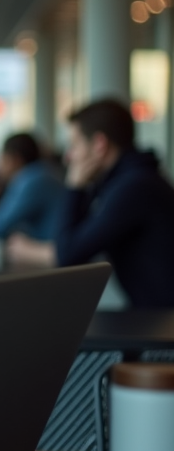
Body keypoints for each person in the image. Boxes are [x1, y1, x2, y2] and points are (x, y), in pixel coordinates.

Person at [21, 99, 174, 307]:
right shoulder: (128, 179)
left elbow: (67, 255)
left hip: (162, 319)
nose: (68, 157)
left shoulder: (134, 187)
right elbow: (73, 243)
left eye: (74, 145)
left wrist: (74, 187)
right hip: (152, 313)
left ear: (99, 144)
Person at [0, 132, 65, 242]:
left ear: (14, 159)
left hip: (50, 248)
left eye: (2, 158)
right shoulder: (40, 173)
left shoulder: (31, 180)